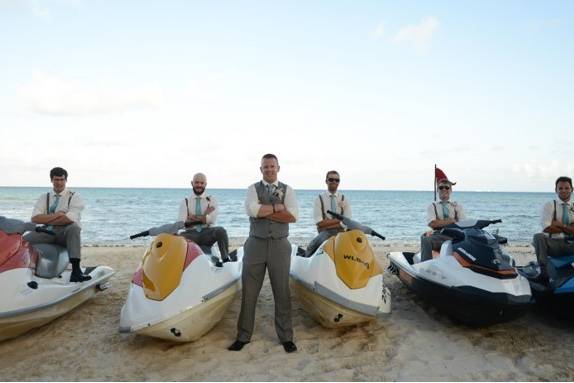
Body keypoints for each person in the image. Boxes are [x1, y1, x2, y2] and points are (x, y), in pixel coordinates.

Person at [228, 153, 299, 353]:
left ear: (278, 167)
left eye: (272, 166)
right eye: (265, 166)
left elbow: (293, 216)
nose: (269, 169)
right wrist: (278, 207)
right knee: (249, 292)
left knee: (282, 292)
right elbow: (253, 210)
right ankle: (243, 336)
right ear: (261, 169)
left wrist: (265, 210)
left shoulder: (289, 190)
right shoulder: (252, 189)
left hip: (280, 245)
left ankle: (286, 337)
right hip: (255, 245)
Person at [24, 167, 91, 282]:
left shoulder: (74, 196)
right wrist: (58, 215)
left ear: (66, 180)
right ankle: (19, 269)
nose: (59, 182)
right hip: (47, 231)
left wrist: (46, 219)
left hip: (65, 233)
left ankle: (76, 271)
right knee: (22, 241)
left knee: (74, 228)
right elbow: (35, 218)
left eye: (61, 179)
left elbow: (68, 219)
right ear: (51, 180)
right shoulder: (44, 197)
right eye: (56, 179)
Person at [178, 173, 232, 262]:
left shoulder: (212, 200)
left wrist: (191, 218)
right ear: (192, 183)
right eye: (197, 182)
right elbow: (182, 223)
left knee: (221, 231)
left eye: (202, 183)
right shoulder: (185, 201)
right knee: (177, 237)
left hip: (206, 234)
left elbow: (211, 220)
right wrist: (204, 216)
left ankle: (225, 258)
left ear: (205, 184)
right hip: (191, 234)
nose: (199, 185)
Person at [532, 176, 574, 282]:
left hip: (571, 244)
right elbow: (547, 228)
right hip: (554, 244)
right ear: (556, 190)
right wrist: (569, 228)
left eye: (566, 188)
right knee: (538, 237)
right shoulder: (550, 205)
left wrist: (560, 225)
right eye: (560, 188)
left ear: (572, 189)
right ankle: (544, 273)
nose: (563, 190)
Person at [305, 170, 352, 257]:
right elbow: (319, 222)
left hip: (342, 233)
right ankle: (305, 263)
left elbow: (347, 222)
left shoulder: (344, 199)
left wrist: (326, 224)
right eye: (331, 179)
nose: (334, 182)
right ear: (326, 181)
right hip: (325, 233)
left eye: (337, 180)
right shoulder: (319, 199)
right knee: (311, 246)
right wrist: (339, 220)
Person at [420, 175, 466, 261]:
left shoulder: (457, 206)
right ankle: (425, 265)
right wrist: (451, 221)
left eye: (447, 187)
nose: (444, 189)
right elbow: (432, 223)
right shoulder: (432, 206)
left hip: (456, 236)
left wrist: (440, 222)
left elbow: (463, 224)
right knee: (425, 239)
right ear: (437, 190)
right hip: (439, 235)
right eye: (441, 187)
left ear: (451, 190)